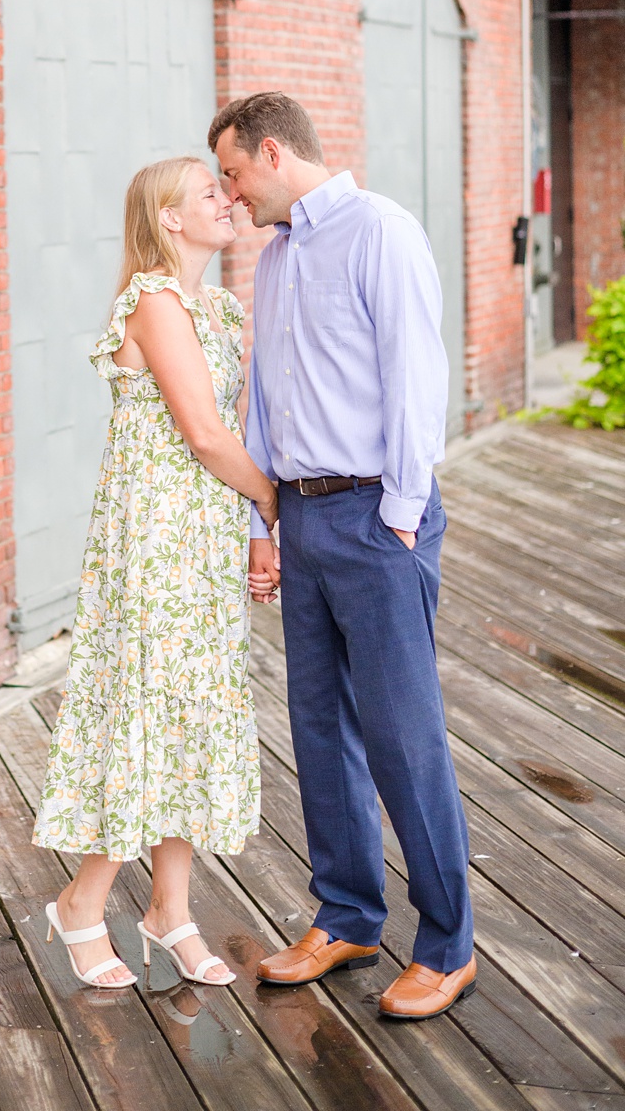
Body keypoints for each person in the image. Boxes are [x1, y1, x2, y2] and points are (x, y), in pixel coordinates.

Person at [209, 91, 477, 1021]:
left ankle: (447, 945)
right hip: (305, 522)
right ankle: (350, 917)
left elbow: (416, 376)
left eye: (235, 174)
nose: (231, 196)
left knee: (404, 738)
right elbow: (269, 400)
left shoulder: (382, 233)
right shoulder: (276, 257)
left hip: (376, 520)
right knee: (320, 730)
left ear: (273, 154)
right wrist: (265, 525)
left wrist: (400, 517)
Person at [33, 156, 279, 991]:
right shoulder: (155, 300)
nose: (227, 199)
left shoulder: (217, 305)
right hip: (156, 539)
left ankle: (170, 909)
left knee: (195, 710)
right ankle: (81, 901)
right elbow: (206, 434)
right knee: (148, 707)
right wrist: (280, 504)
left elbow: (238, 428)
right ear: (169, 220)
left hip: (207, 533)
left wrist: (248, 528)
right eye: (209, 193)